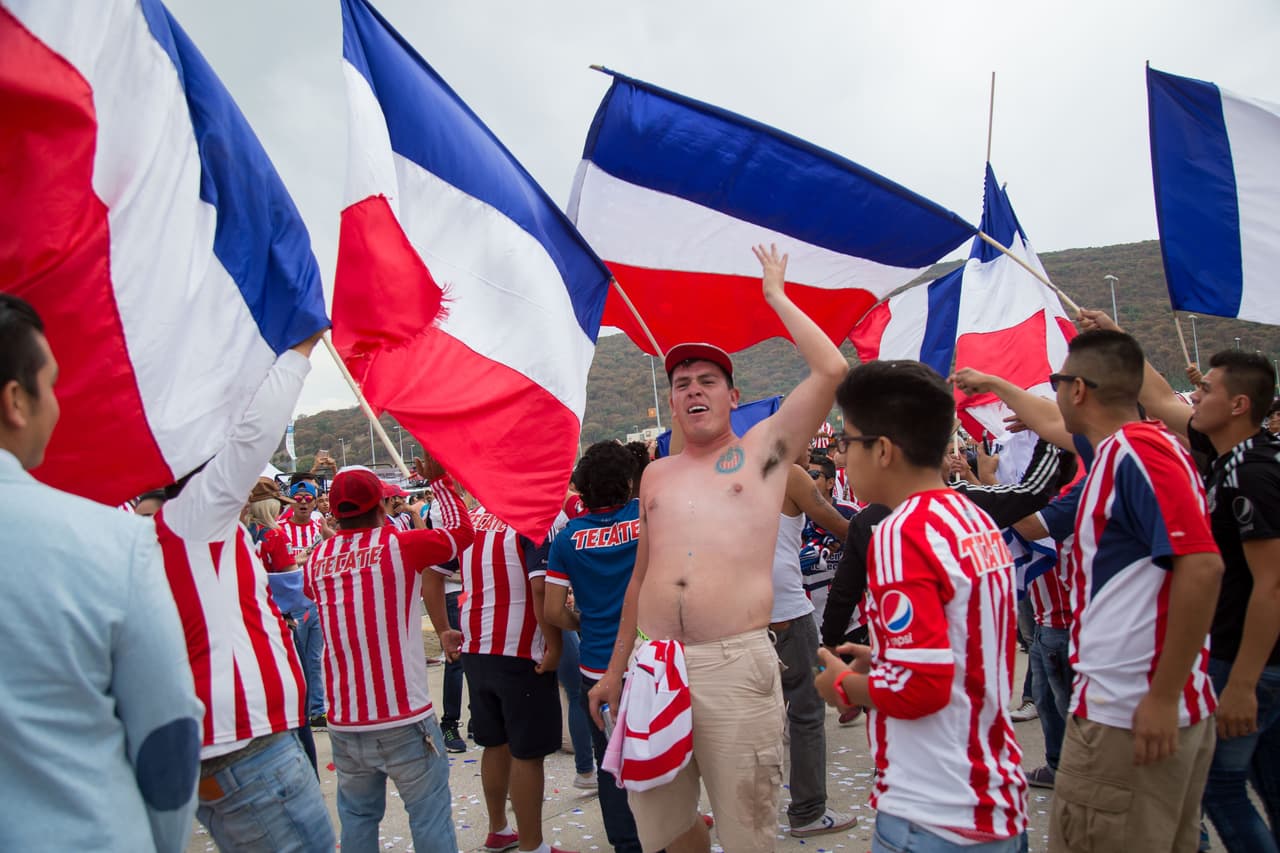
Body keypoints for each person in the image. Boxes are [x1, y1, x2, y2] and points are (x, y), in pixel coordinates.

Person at [589, 244, 849, 853]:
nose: (693, 390)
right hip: (655, 667)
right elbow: (640, 579)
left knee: (746, 826)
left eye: (708, 380)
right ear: (673, 402)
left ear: (733, 397)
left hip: (733, 664)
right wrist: (614, 667)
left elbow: (831, 372)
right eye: (682, 384)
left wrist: (777, 298)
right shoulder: (654, 474)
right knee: (664, 829)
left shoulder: (762, 453)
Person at [0, 293, 202, 852]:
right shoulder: (110, 544)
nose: (59, 406)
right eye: (53, 384)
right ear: (16, 400)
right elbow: (169, 736)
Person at [814, 360, 1028, 853]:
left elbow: (922, 689)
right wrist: (886, 660)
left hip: (934, 812)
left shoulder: (899, 533)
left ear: (883, 450)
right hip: (990, 795)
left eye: (848, 442)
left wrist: (844, 687)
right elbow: (953, 651)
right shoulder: (968, 516)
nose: (842, 455)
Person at [1095, 322, 1280, 852]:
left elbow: (1272, 585)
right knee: (1267, 782)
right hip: (1244, 656)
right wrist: (1117, 335)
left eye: (1206, 391)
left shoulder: (1255, 475)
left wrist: (1243, 682)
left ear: (1239, 404)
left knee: (1218, 787)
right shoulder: (1226, 453)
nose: (1193, 397)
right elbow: (1156, 396)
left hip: (1248, 658)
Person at [152, 335, 335, 852]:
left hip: (231, 745)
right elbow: (257, 432)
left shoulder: (171, 524)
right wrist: (300, 347)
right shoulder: (195, 515)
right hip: (248, 752)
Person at [1043, 329, 1222, 853]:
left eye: (1056, 383)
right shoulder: (1124, 452)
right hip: (1128, 707)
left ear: (1077, 390)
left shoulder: (1137, 451)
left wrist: (1162, 696)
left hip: (1128, 715)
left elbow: (1202, 566)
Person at [305, 461, 473, 853]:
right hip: (404, 717)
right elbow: (461, 533)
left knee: (358, 821)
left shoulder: (316, 560)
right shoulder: (400, 544)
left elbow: (323, 596)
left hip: (346, 720)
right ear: (382, 506)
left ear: (334, 511)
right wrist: (439, 482)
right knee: (429, 818)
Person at [545, 441, 649, 853]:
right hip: (648, 663)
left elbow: (554, 610)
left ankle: (626, 844)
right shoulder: (644, 520)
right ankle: (665, 829)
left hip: (595, 670)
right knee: (658, 752)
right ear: (627, 482)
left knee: (611, 763)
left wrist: (583, 624)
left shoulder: (568, 538)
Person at [458, 503, 568, 853]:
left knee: (494, 742)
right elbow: (541, 587)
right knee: (527, 753)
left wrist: (445, 627)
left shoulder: (471, 518)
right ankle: (532, 845)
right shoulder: (535, 514)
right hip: (520, 650)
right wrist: (553, 644)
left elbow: (434, 572)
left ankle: (498, 828)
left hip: (476, 645)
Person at [772, 454, 856, 837]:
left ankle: (746, 814)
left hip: (739, 616)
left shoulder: (723, 477)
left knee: (749, 723)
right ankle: (807, 811)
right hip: (788, 610)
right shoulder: (790, 475)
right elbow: (843, 528)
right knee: (805, 714)